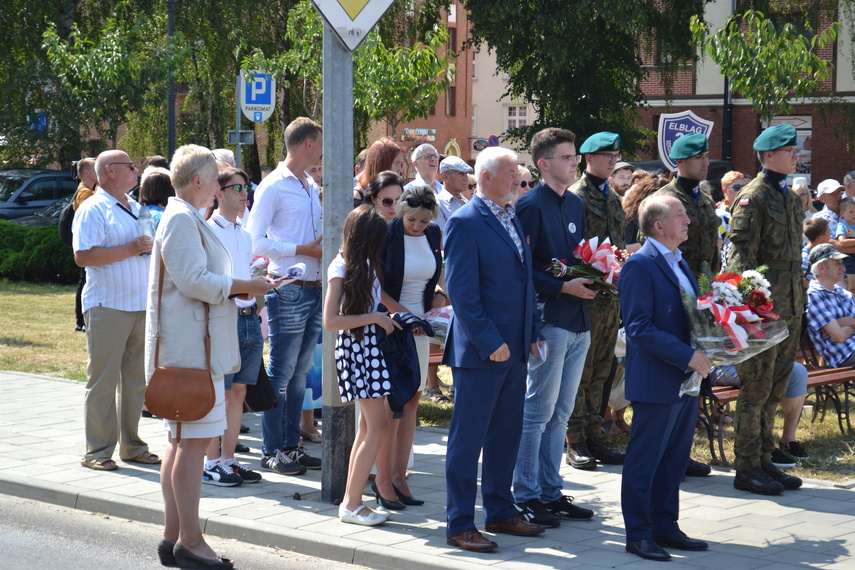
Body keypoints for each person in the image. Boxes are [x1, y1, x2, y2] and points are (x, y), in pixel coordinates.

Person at [145, 145, 276, 567]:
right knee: (193, 446)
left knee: (181, 443)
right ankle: (190, 541)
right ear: (199, 181)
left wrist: (242, 284)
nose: (220, 185)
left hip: (191, 349)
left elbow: (195, 280)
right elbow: (193, 281)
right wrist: (245, 286)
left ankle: (173, 538)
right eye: (216, 178)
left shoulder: (185, 216)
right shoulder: (182, 218)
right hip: (191, 353)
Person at [443, 146, 546, 553]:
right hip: (483, 352)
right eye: (511, 173)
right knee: (468, 441)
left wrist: (533, 331)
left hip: (515, 348)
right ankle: (459, 524)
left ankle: (501, 511)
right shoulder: (465, 222)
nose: (519, 180)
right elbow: (462, 293)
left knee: (506, 434)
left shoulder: (511, 216)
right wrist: (490, 342)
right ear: (486, 177)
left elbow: (525, 281)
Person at [619, 194, 712, 562]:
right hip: (658, 378)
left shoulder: (679, 260)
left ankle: (665, 525)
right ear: (658, 226)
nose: (688, 220)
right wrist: (686, 355)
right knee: (645, 461)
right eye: (680, 215)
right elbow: (638, 327)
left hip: (686, 379)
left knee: (674, 458)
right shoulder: (640, 265)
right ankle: (639, 534)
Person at [512, 127, 596, 528]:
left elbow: (578, 257)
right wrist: (563, 287)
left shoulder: (576, 204)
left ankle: (550, 489)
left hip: (579, 319)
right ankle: (525, 494)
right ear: (544, 164)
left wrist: (602, 272)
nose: (574, 162)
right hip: (550, 320)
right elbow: (523, 268)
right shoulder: (530, 205)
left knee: (562, 412)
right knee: (537, 411)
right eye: (566, 157)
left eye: (574, 156)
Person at [729, 124, 805, 495]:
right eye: (790, 151)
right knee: (755, 388)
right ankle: (746, 467)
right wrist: (751, 306)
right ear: (768, 155)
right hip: (764, 309)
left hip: (791, 304)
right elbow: (741, 256)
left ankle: (763, 458)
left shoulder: (789, 197)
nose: (796, 155)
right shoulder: (753, 196)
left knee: (776, 387)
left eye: (796, 150)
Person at [73, 150, 158, 472]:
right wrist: (130, 249)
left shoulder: (135, 207)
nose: (136, 171)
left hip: (140, 305)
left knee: (136, 382)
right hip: (107, 305)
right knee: (103, 381)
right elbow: (83, 256)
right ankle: (97, 450)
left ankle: (132, 446)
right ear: (110, 171)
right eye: (130, 166)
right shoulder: (93, 208)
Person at [247, 117, 324, 476]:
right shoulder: (273, 186)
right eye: (320, 143)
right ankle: (272, 449)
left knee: (300, 373)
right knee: (281, 372)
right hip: (289, 289)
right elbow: (253, 240)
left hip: (314, 287)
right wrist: (302, 250)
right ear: (308, 144)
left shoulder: (310, 183)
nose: (322, 151)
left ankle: (291, 446)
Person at [324, 205, 402, 526]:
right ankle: (352, 504)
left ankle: (351, 501)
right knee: (377, 428)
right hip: (357, 350)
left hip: (367, 349)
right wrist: (375, 318)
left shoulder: (362, 263)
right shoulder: (341, 266)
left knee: (368, 429)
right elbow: (330, 321)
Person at [376, 186, 446, 509]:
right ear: (401, 212)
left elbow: (434, 276)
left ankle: (400, 475)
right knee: (393, 405)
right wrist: (403, 316)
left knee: (413, 401)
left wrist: (439, 296)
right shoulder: (387, 235)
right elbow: (376, 288)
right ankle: (384, 478)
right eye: (412, 219)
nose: (417, 226)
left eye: (423, 220)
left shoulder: (433, 234)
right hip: (393, 327)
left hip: (420, 329)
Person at [566, 132, 627, 469]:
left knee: (603, 368)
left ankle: (594, 433)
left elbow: (618, 245)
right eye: (606, 155)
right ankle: (575, 439)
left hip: (610, 297)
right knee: (582, 369)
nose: (612, 161)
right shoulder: (576, 196)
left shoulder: (613, 198)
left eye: (615, 155)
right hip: (587, 295)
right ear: (588, 158)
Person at [202, 166, 264, 487]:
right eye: (237, 188)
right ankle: (211, 462)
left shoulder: (245, 233)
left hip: (249, 317)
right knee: (220, 391)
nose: (244, 194)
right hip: (224, 319)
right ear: (219, 192)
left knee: (239, 392)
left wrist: (261, 280)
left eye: (246, 188)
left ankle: (228, 459)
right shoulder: (209, 230)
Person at [654, 133, 721, 276]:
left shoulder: (707, 201)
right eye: (698, 157)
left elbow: (713, 251)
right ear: (680, 161)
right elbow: (652, 250)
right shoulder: (663, 199)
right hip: (675, 280)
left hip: (706, 284)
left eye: (706, 156)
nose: (706, 162)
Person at [72, 157, 98, 332]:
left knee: (84, 279)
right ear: (86, 172)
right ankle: (81, 321)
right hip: (86, 243)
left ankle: (81, 320)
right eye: (96, 168)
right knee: (84, 280)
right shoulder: (85, 193)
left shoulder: (88, 190)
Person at [354, 138, 405, 204]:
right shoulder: (358, 196)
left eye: (401, 164)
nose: (401, 170)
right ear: (382, 163)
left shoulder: (397, 193)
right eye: (397, 163)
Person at [436, 156, 473, 231]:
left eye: (466, 173)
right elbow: (441, 236)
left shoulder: (467, 202)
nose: (466, 178)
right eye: (460, 174)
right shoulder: (438, 204)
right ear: (445, 177)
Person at [834, 196, 855, 293]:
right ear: (842, 213)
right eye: (851, 212)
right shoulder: (843, 226)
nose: (854, 214)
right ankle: (851, 301)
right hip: (850, 258)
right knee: (853, 286)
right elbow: (842, 242)